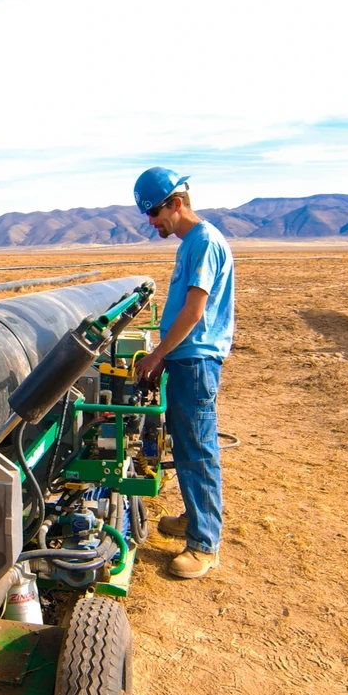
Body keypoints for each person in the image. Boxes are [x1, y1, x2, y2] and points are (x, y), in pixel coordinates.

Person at [132, 167, 234, 579]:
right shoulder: (189, 242)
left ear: (176, 203)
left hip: (194, 361)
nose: (152, 223)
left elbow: (194, 311)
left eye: (154, 213)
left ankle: (204, 545)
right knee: (185, 442)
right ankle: (196, 519)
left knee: (197, 449)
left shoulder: (204, 242)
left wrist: (157, 355)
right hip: (184, 359)